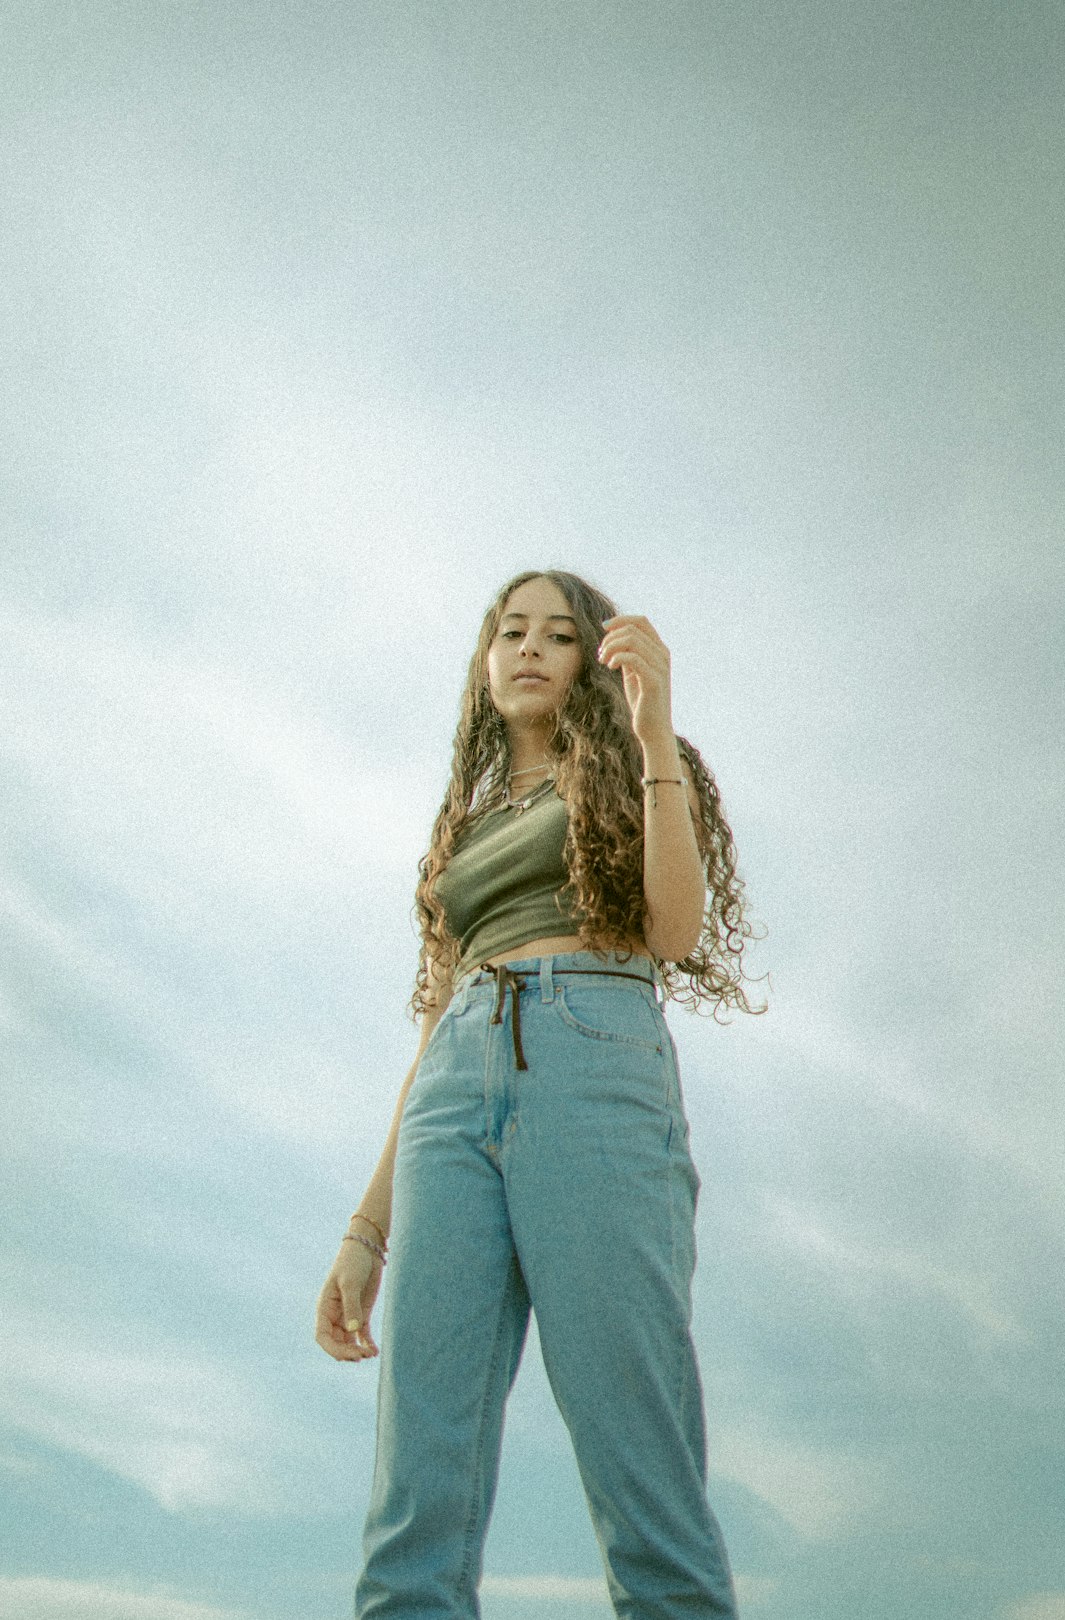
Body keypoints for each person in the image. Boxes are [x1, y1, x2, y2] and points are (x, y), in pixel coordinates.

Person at [315, 569, 762, 1619]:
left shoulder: (640, 769)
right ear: (484, 659)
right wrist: (364, 1232)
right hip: (452, 1087)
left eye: (558, 636)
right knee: (415, 1478)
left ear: (589, 662)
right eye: (509, 631)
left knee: (633, 1442)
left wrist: (655, 736)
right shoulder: (463, 825)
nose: (528, 648)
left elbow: (671, 934)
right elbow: (432, 1022)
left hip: (590, 1054)